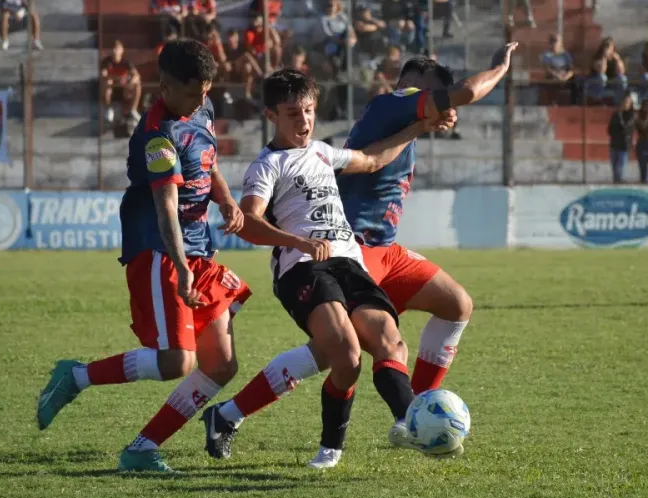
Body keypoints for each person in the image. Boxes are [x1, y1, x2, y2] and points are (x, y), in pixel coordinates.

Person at [203, 44, 517, 464]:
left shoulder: (328, 148)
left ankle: (415, 413)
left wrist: (421, 127)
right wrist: (499, 66)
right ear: (412, 86)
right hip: (338, 253)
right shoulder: (395, 103)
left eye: (308, 111)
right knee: (340, 353)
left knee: (444, 310)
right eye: (294, 113)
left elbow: (370, 161)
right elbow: (464, 94)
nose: (305, 121)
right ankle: (248, 418)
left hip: (370, 250)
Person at [36, 40, 251, 474]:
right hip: (159, 249)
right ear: (166, 86)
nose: (201, 100)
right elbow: (166, 206)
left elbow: (209, 165)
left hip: (196, 247)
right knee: (177, 361)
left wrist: (226, 201)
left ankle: (142, 447)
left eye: (206, 91)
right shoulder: (157, 134)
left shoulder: (200, 109)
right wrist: (184, 269)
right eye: (193, 93)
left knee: (222, 363)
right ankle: (75, 376)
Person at [100, 40, 142, 123]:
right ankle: (108, 108)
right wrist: (116, 79)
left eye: (117, 48)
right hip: (111, 87)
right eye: (113, 48)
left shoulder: (126, 62)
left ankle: (133, 110)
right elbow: (103, 75)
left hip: (124, 88)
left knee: (137, 85)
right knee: (106, 83)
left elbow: (136, 75)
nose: (115, 51)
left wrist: (130, 82)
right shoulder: (106, 62)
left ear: (122, 50)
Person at [607, 94, 635, 184]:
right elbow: (610, 129)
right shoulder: (615, 114)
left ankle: (619, 180)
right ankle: (616, 181)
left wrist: (620, 117)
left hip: (624, 145)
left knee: (620, 166)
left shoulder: (632, 115)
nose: (624, 104)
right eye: (623, 102)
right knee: (614, 166)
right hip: (614, 144)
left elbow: (626, 128)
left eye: (626, 103)